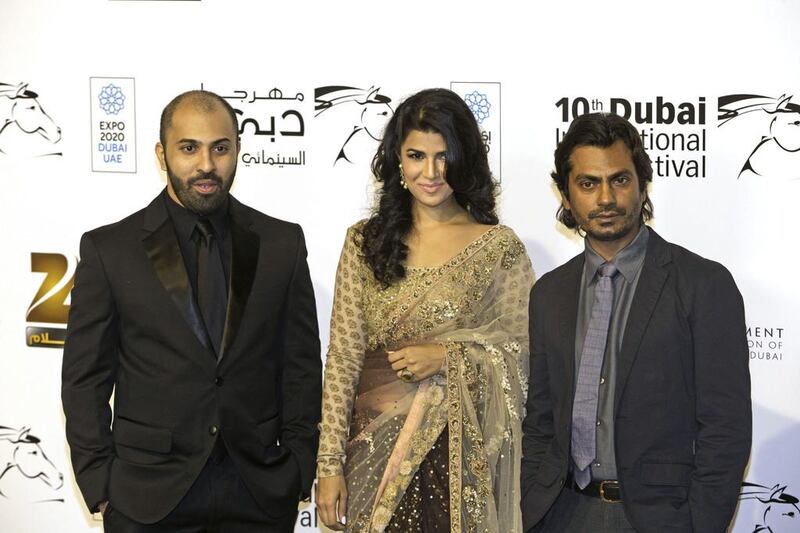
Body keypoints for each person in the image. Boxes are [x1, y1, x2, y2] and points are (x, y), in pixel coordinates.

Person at [61, 90, 321, 532]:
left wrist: (298, 467)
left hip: (257, 494)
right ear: (162, 154)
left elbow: (300, 367)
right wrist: (101, 484)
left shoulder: (282, 245)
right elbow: (84, 379)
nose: (206, 165)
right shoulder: (110, 250)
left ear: (237, 149)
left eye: (220, 148)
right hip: (147, 498)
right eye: (189, 148)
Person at [316, 88, 534, 532]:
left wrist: (449, 358)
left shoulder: (497, 248)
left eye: (444, 156)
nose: (430, 172)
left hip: (459, 460)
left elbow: (523, 353)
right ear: (398, 159)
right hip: (371, 455)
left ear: (464, 158)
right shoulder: (365, 243)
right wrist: (328, 465)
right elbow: (342, 360)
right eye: (416, 155)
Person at [521, 112, 752, 532]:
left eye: (620, 180)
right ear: (566, 194)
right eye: (588, 183)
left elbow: (726, 428)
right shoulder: (549, 293)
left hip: (660, 519)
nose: (605, 198)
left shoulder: (703, 285)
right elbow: (538, 421)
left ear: (642, 183)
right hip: (562, 513)